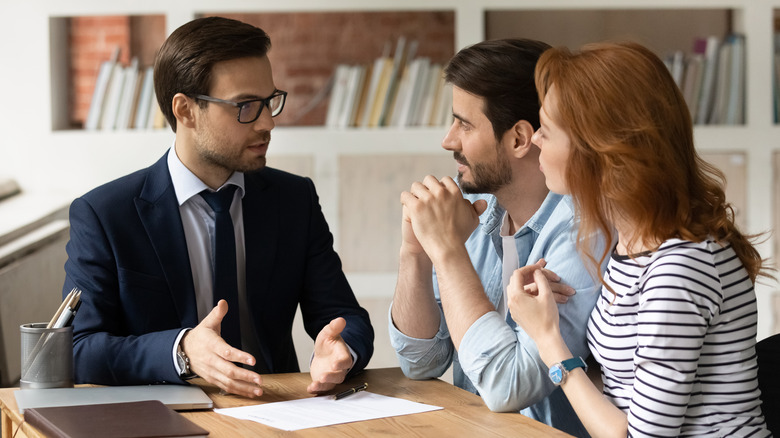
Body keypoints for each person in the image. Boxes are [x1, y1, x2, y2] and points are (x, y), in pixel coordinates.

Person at [62, 16, 374, 398]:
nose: (266, 124)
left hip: (278, 409)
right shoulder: (105, 214)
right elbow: (79, 349)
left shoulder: (294, 200)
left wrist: (343, 351)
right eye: (245, 106)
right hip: (163, 417)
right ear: (185, 110)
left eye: (269, 102)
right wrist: (181, 351)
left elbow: (345, 316)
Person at [508, 41, 771, 437]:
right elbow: (622, 392)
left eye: (547, 129)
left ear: (601, 151)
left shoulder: (680, 267)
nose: (536, 140)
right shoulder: (632, 247)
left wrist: (547, 337)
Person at [389, 39, 604, 436]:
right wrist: (415, 253)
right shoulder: (477, 210)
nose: (448, 140)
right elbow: (421, 361)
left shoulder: (584, 233)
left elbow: (510, 386)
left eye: (464, 124)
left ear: (520, 138)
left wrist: (448, 252)